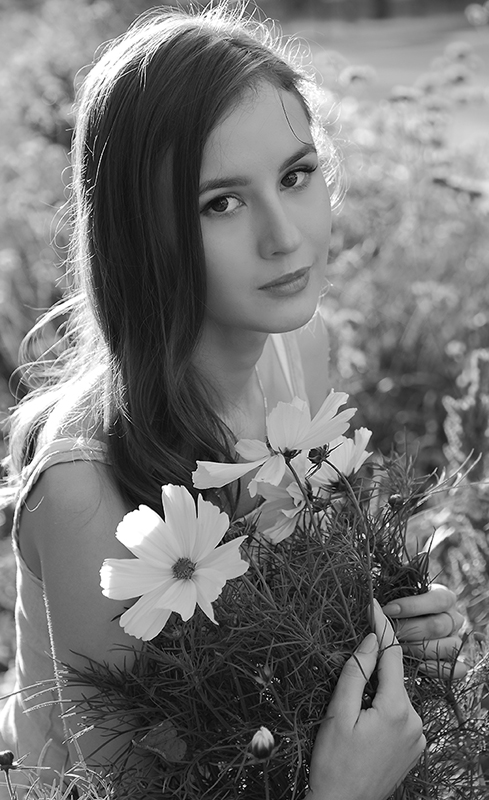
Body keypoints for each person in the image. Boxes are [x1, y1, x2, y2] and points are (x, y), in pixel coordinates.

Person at [0, 5, 466, 798]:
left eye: (295, 175)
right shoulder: (82, 491)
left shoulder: (298, 345)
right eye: (220, 202)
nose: (285, 236)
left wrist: (392, 631)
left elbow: (296, 604)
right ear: (140, 235)